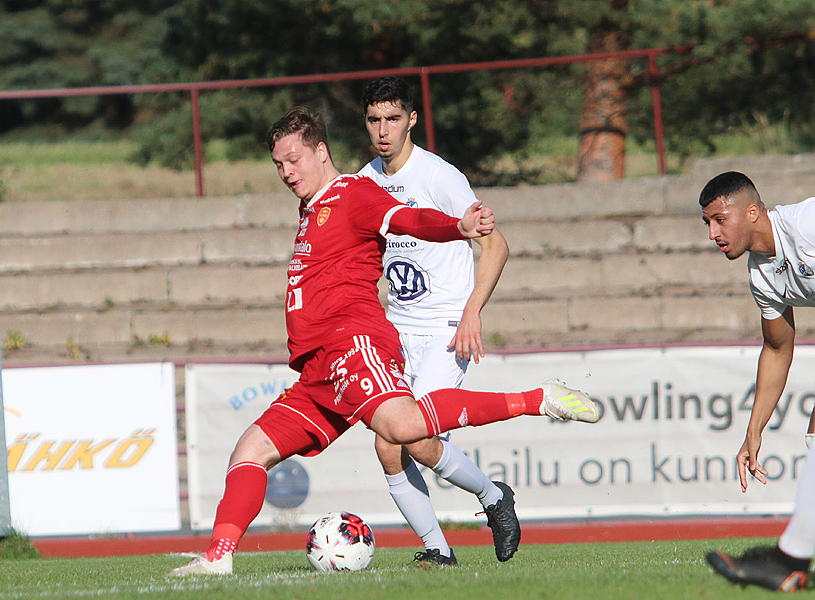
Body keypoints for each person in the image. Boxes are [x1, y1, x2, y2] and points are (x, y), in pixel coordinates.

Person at [170, 106, 599, 577]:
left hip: (354, 343)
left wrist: (457, 227)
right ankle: (219, 558)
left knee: (401, 430)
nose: (286, 172)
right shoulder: (311, 206)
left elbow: (407, 220)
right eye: (278, 165)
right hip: (318, 371)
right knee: (250, 450)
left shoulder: (354, 192)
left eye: (293, 159)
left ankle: (539, 399)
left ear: (321, 151)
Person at [357, 76, 514, 566]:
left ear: (412, 120)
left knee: (416, 438)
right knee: (389, 447)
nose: (383, 130)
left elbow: (496, 245)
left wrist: (472, 312)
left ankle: (493, 498)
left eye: (392, 119)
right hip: (397, 330)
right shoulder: (365, 181)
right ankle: (438, 551)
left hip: (446, 328)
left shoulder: (440, 177)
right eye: (374, 120)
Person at [698, 171, 815, 592]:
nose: (713, 233)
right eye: (707, 223)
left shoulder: (806, 224)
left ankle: (789, 560)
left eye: (719, 219)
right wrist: (754, 430)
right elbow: (778, 349)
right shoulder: (762, 276)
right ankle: (792, 559)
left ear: (752, 211)